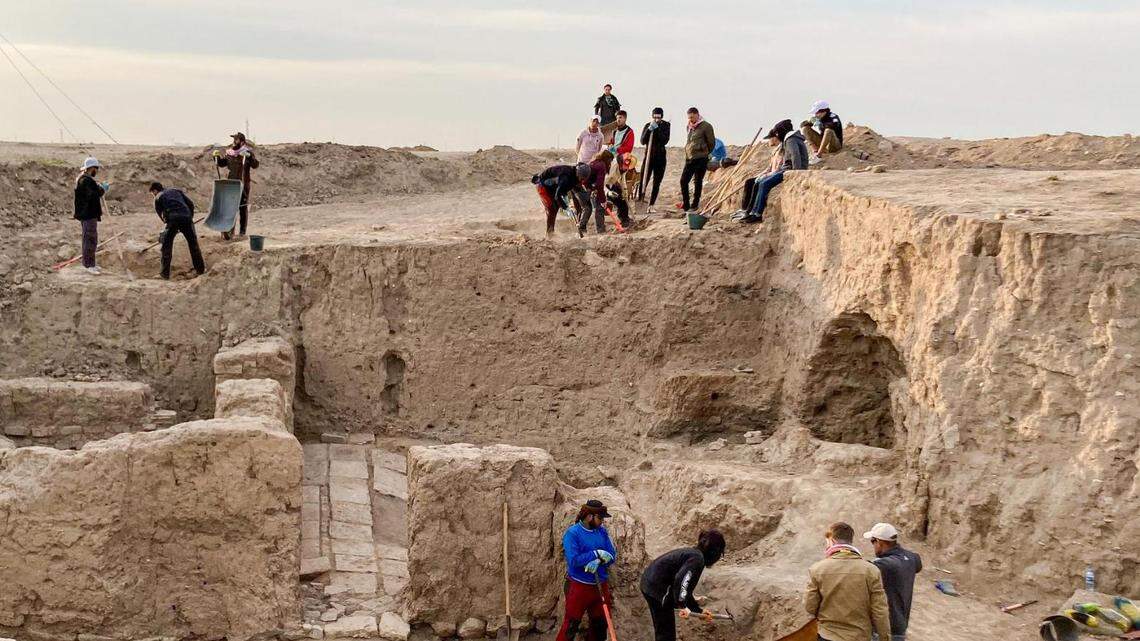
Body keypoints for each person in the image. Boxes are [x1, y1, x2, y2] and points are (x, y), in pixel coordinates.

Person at [804, 522, 892, 641]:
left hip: (827, 636)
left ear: (832, 541)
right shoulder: (871, 570)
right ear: (850, 541)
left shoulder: (817, 569)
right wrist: (885, 638)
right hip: (859, 636)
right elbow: (880, 611)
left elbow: (810, 607)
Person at [640, 529, 726, 641]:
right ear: (714, 552)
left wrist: (697, 610)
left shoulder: (694, 555)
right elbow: (682, 581)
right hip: (657, 588)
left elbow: (686, 589)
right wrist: (682, 605)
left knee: (664, 630)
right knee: (666, 634)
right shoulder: (697, 559)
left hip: (650, 584)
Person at [557, 499, 617, 641]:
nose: (602, 521)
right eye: (600, 518)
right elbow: (574, 560)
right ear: (590, 516)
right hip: (579, 587)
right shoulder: (573, 534)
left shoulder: (602, 532)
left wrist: (600, 560)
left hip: (600, 585)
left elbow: (611, 555)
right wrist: (595, 554)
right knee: (571, 625)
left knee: (600, 626)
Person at [736, 119, 809, 223]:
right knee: (761, 183)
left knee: (764, 184)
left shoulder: (790, 140)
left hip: (789, 170)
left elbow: (795, 155)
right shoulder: (792, 138)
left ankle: (757, 214)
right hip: (788, 168)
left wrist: (797, 173)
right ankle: (752, 212)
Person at [865, 523, 921, 641]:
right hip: (901, 626)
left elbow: (862, 569)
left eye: (872, 541)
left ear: (880, 542)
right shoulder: (912, 558)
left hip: (884, 628)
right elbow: (918, 566)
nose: (873, 545)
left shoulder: (885, 564)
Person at [150, 182, 206, 279]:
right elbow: (191, 204)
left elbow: (162, 216)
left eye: (152, 193)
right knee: (193, 244)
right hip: (187, 218)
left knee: (166, 245)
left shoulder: (158, 197)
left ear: (155, 190)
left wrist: (170, 224)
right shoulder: (176, 191)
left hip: (173, 219)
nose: (153, 195)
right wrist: (189, 218)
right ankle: (200, 270)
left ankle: (164, 274)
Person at [213, 132, 260, 238]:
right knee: (231, 208)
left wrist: (249, 157)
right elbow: (222, 164)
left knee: (242, 208)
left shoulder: (247, 153)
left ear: (242, 141)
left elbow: (256, 165)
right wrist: (216, 158)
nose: (234, 141)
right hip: (232, 184)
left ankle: (242, 232)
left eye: (236, 139)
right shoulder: (229, 153)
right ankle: (230, 231)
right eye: (234, 139)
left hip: (244, 183)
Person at [73, 157, 110, 275]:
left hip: (89, 214)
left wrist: (99, 187)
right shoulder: (85, 180)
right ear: (91, 168)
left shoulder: (86, 180)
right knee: (89, 239)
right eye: (96, 169)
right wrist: (102, 190)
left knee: (92, 239)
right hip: (87, 214)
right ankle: (88, 265)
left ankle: (91, 263)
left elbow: (93, 192)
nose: (97, 171)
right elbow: (93, 195)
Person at [532, 163, 591, 237]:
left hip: (553, 187)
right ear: (578, 175)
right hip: (542, 186)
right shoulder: (565, 178)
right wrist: (566, 208)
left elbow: (566, 191)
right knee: (552, 209)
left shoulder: (575, 175)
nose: (582, 181)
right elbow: (558, 196)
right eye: (582, 179)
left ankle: (551, 231)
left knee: (556, 207)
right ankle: (549, 234)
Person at [680, 107, 715, 212]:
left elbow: (711, 143)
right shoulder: (689, 126)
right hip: (690, 157)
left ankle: (694, 204)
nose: (690, 119)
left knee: (698, 180)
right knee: (683, 181)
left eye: (692, 117)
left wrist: (704, 152)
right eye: (689, 117)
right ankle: (686, 204)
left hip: (701, 158)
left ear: (697, 115)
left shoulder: (706, 126)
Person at [575, 150, 615, 236]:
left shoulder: (594, 162)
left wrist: (593, 188)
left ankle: (582, 228)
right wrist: (603, 200)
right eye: (610, 161)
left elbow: (591, 180)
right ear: (607, 159)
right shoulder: (602, 166)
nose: (610, 164)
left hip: (578, 186)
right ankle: (600, 230)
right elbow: (600, 185)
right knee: (598, 207)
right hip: (582, 187)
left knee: (588, 208)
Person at [639, 107, 670, 209]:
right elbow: (643, 141)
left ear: (662, 117)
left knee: (656, 182)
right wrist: (649, 130)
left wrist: (656, 129)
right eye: (655, 117)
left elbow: (664, 140)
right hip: (648, 157)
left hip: (660, 158)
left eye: (659, 117)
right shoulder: (648, 125)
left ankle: (651, 204)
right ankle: (640, 202)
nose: (657, 119)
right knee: (644, 179)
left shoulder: (666, 125)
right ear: (652, 116)